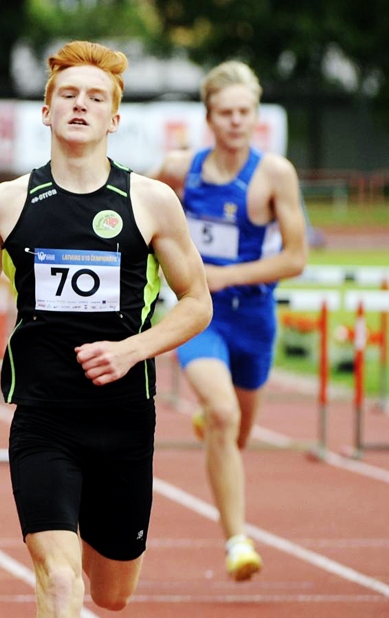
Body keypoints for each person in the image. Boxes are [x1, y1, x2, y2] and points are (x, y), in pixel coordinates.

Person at [0, 40, 212, 614]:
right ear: (47, 111)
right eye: (69, 94)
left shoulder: (150, 201)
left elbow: (197, 303)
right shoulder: (6, 201)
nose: (81, 104)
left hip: (125, 420)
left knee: (111, 595)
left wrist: (131, 351)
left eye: (96, 97)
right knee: (58, 578)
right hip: (43, 417)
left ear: (114, 119)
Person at [151, 60, 308, 581]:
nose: (237, 121)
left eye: (245, 112)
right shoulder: (179, 170)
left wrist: (228, 275)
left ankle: (216, 425)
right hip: (201, 316)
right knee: (222, 415)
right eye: (226, 113)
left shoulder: (274, 174)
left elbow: (295, 258)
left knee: (235, 432)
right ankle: (238, 541)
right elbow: (137, 216)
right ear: (209, 117)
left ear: (256, 115)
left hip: (254, 320)